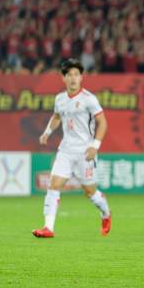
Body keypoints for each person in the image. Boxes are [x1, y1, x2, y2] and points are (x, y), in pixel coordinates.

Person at [32, 59, 111, 238]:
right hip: (66, 150)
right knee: (54, 185)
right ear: (64, 78)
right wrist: (47, 132)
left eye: (76, 74)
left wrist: (95, 146)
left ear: (81, 77)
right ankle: (48, 227)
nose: (73, 78)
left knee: (90, 192)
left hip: (85, 152)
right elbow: (57, 117)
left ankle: (106, 213)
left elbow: (103, 123)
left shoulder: (89, 99)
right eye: (70, 75)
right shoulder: (60, 99)